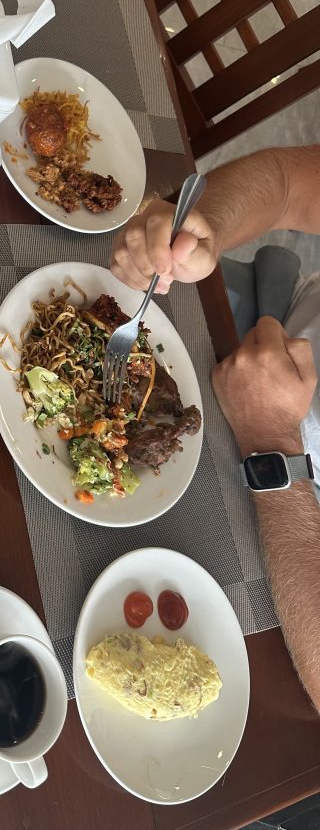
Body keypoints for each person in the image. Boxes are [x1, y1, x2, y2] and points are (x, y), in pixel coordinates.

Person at [109, 145, 320, 709]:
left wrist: (271, 442)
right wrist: (203, 232)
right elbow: (286, 182)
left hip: (289, 532)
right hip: (254, 332)